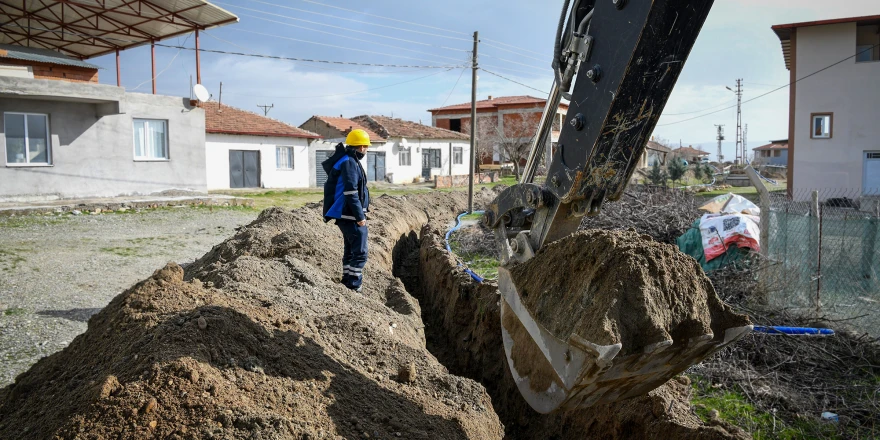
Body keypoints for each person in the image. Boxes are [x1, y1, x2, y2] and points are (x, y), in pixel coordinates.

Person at [322, 129, 372, 292]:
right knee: (360, 251)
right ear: (362, 147)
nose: (366, 150)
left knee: (351, 250)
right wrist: (360, 216)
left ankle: (347, 282)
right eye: (365, 146)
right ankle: (354, 286)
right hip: (348, 213)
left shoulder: (347, 159)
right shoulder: (350, 162)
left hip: (345, 213)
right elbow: (351, 192)